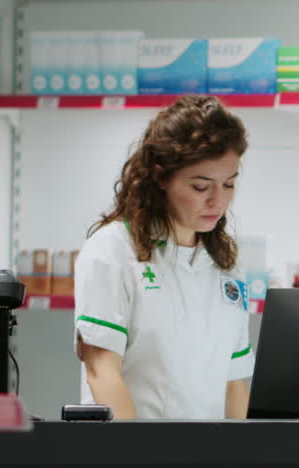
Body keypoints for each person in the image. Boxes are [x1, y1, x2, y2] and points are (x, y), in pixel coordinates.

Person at [75, 95, 255, 420]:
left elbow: (234, 384)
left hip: (207, 463)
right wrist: (145, 462)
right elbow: (101, 370)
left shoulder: (226, 264)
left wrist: (240, 464)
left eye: (228, 184)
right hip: (132, 458)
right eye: (201, 187)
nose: (218, 200)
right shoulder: (113, 250)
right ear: (160, 176)